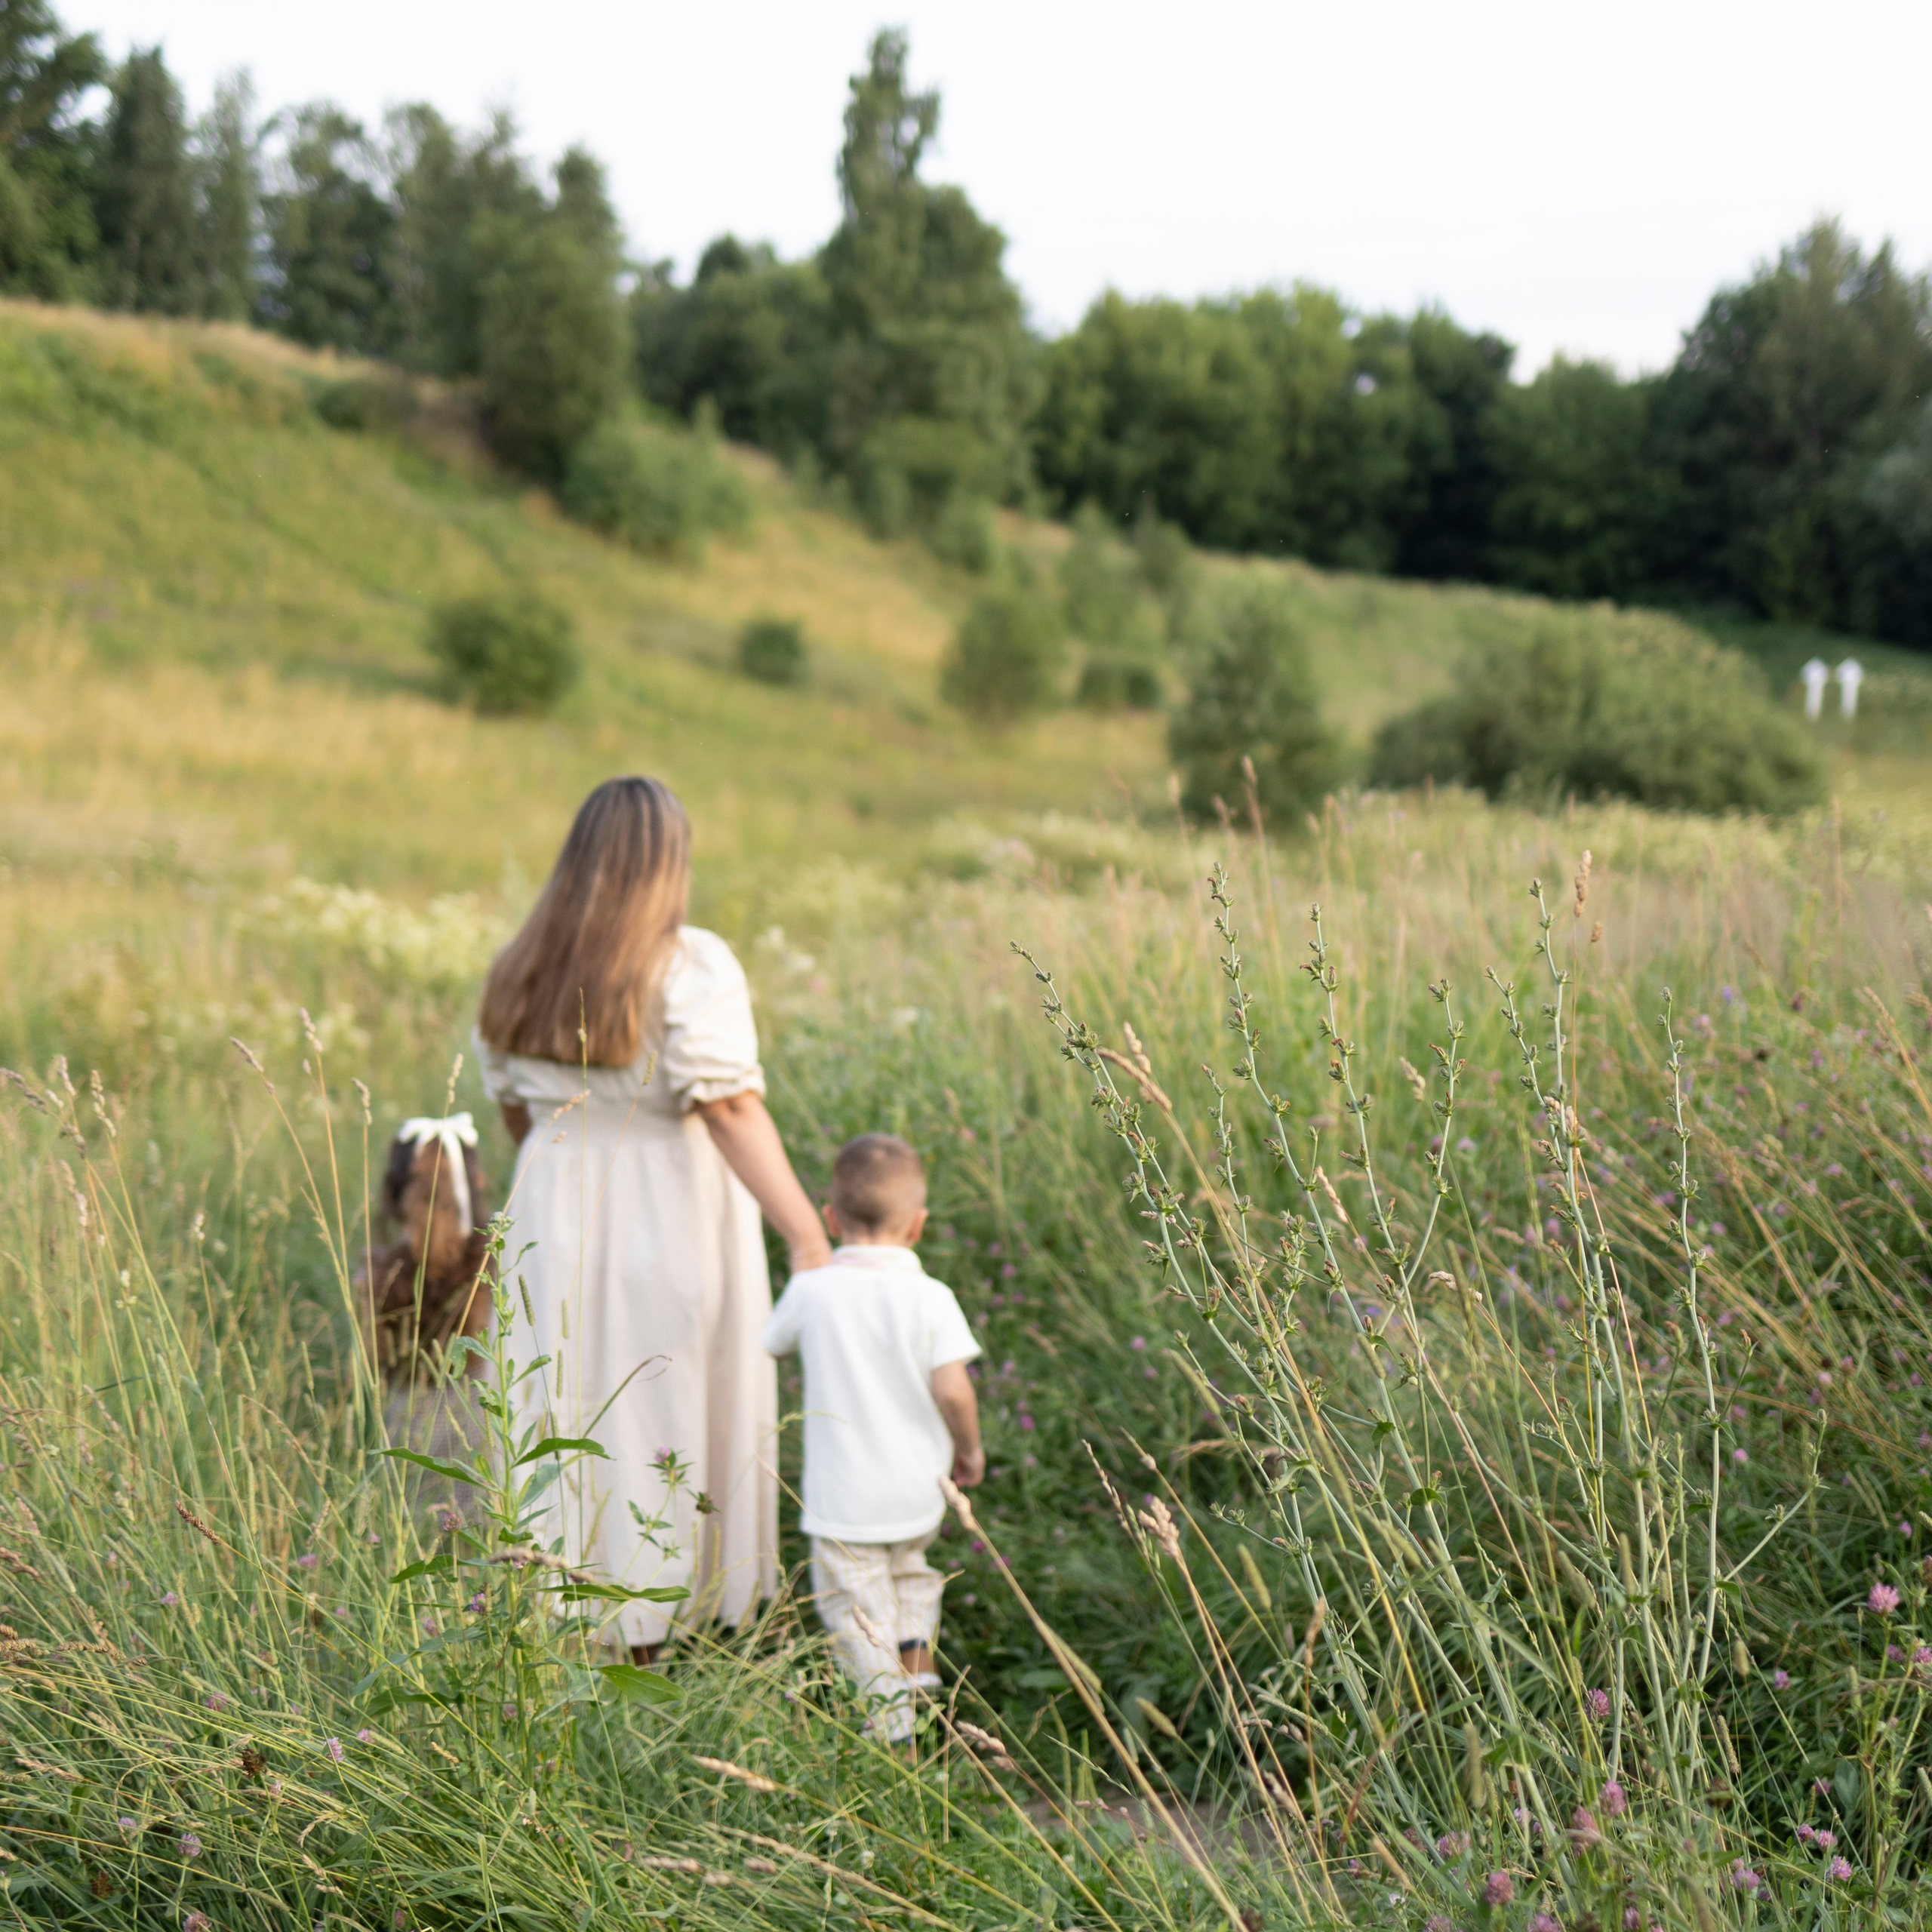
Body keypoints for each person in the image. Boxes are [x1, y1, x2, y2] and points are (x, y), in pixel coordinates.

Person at [472, 777, 829, 1663]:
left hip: (550, 1202)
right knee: (658, 1403)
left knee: (565, 1400)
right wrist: (807, 1235)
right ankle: (652, 1629)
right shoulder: (686, 965)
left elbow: (516, 1109)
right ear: (669, 862)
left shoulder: (520, 964)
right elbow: (729, 1107)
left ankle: (565, 1612)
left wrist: (564, 1158)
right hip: (668, 1202)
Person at [761, 1134, 983, 1739]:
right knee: (911, 1573)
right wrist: (969, 1450)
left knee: (857, 1611)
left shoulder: (812, 1290)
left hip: (844, 1501)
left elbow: (773, 1344)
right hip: (917, 1492)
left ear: (830, 1219)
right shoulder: (932, 1297)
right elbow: (955, 1391)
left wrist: (803, 1279)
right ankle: (918, 1677)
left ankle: (895, 1738)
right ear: (918, 1225)